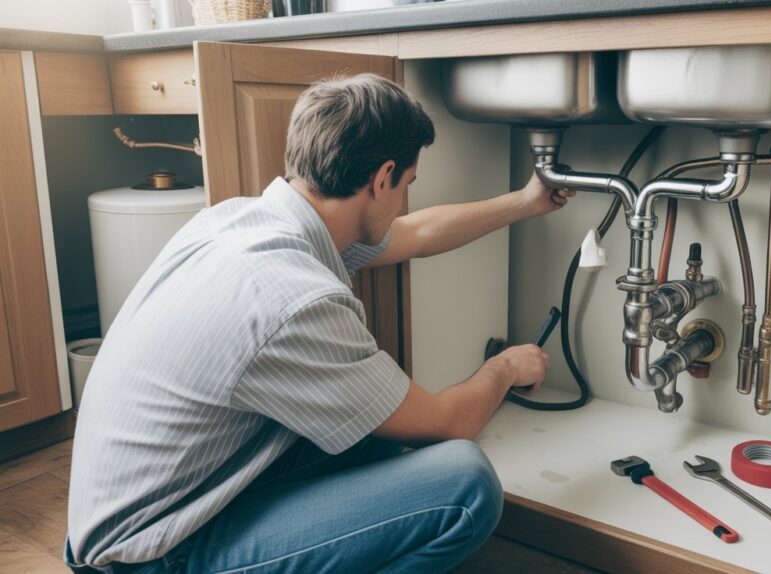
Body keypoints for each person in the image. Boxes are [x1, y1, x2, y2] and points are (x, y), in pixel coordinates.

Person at [65, 73, 575, 574]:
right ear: (382, 178)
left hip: (144, 512)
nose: (405, 201)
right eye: (407, 185)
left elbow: (415, 234)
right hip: (148, 557)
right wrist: (505, 367)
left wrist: (527, 201)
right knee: (465, 487)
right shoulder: (293, 297)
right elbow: (448, 422)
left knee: (373, 429)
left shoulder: (240, 222)